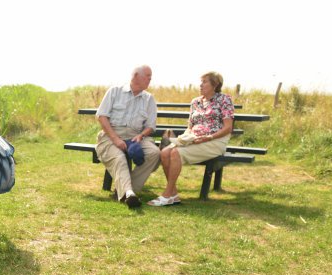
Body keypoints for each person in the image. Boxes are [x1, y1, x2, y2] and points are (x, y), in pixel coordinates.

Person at [149, 71, 235, 206]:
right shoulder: (195, 102)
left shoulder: (224, 100)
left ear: (215, 84)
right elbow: (190, 126)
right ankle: (174, 195)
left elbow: (228, 128)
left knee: (176, 153)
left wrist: (208, 137)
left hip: (214, 141)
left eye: (204, 82)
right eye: (201, 82)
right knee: (165, 153)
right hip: (193, 139)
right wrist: (185, 138)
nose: (200, 85)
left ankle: (166, 195)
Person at [95, 65, 160, 208]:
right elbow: (102, 116)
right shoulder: (115, 91)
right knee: (119, 158)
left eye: (151, 76)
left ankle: (124, 191)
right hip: (111, 135)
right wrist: (115, 139)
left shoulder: (149, 99)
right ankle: (129, 193)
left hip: (136, 136)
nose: (150, 79)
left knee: (154, 153)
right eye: (148, 76)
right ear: (136, 76)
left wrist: (141, 135)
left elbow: (150, 126)